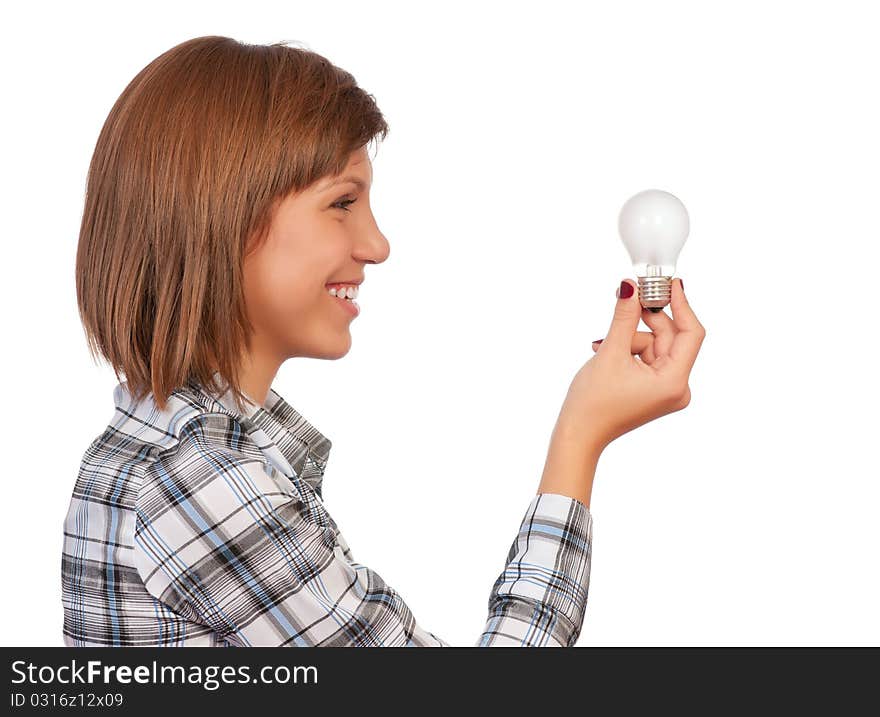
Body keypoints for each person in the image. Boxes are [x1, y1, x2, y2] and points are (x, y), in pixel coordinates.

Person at [62, 36, 705, 647]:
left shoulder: (178, 449)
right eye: (343, 203)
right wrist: (580, 438)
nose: (377, 246)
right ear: (220, 215)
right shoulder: (200, 479)